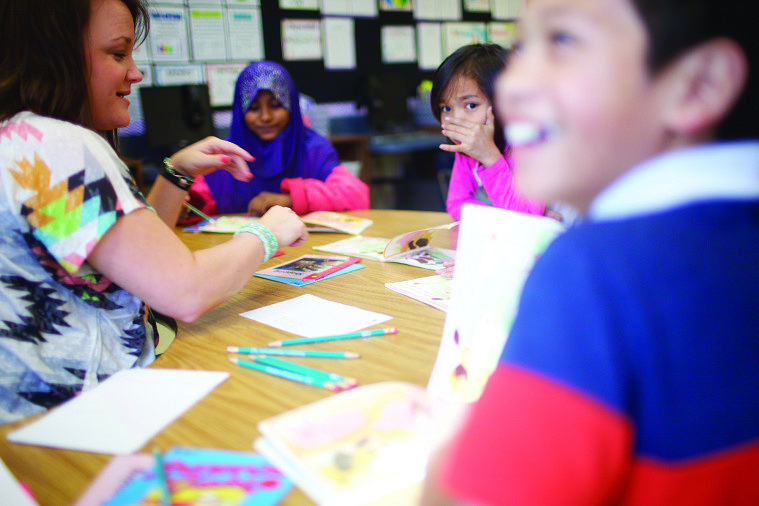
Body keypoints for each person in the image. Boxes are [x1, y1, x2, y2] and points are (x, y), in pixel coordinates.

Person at [422, 0, 759, 503]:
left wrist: (442, 454)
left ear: (700, 84)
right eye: (522, 48)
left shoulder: (593, 272)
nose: (512, 87)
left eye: (563, 40)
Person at [0, 0, 308, 425]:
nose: (135, 72)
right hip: (94, 413)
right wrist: (267, 232)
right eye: (117, 53)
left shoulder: (21, 141)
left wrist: (175, 172)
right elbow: (182, 291)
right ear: (56, 54)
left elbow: (133, 265)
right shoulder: (57, 148)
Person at [190, 61, 370, 217]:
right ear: (240, 112)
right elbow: (197, 201)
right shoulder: (225, 154)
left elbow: (357, 195)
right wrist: (187, 207)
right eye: (253, 108)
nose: (265, 117)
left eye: (275, 105)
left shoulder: (313, 148)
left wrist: (291, 199)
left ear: (291, 106)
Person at [430, 43, 550, 223]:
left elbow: (528, 217)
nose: (455, 119)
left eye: (471, 105)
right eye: (446, 108)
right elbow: (456, 204)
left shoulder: (527, 145)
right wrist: (497, 215)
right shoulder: (467, 152)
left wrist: (490, 157)